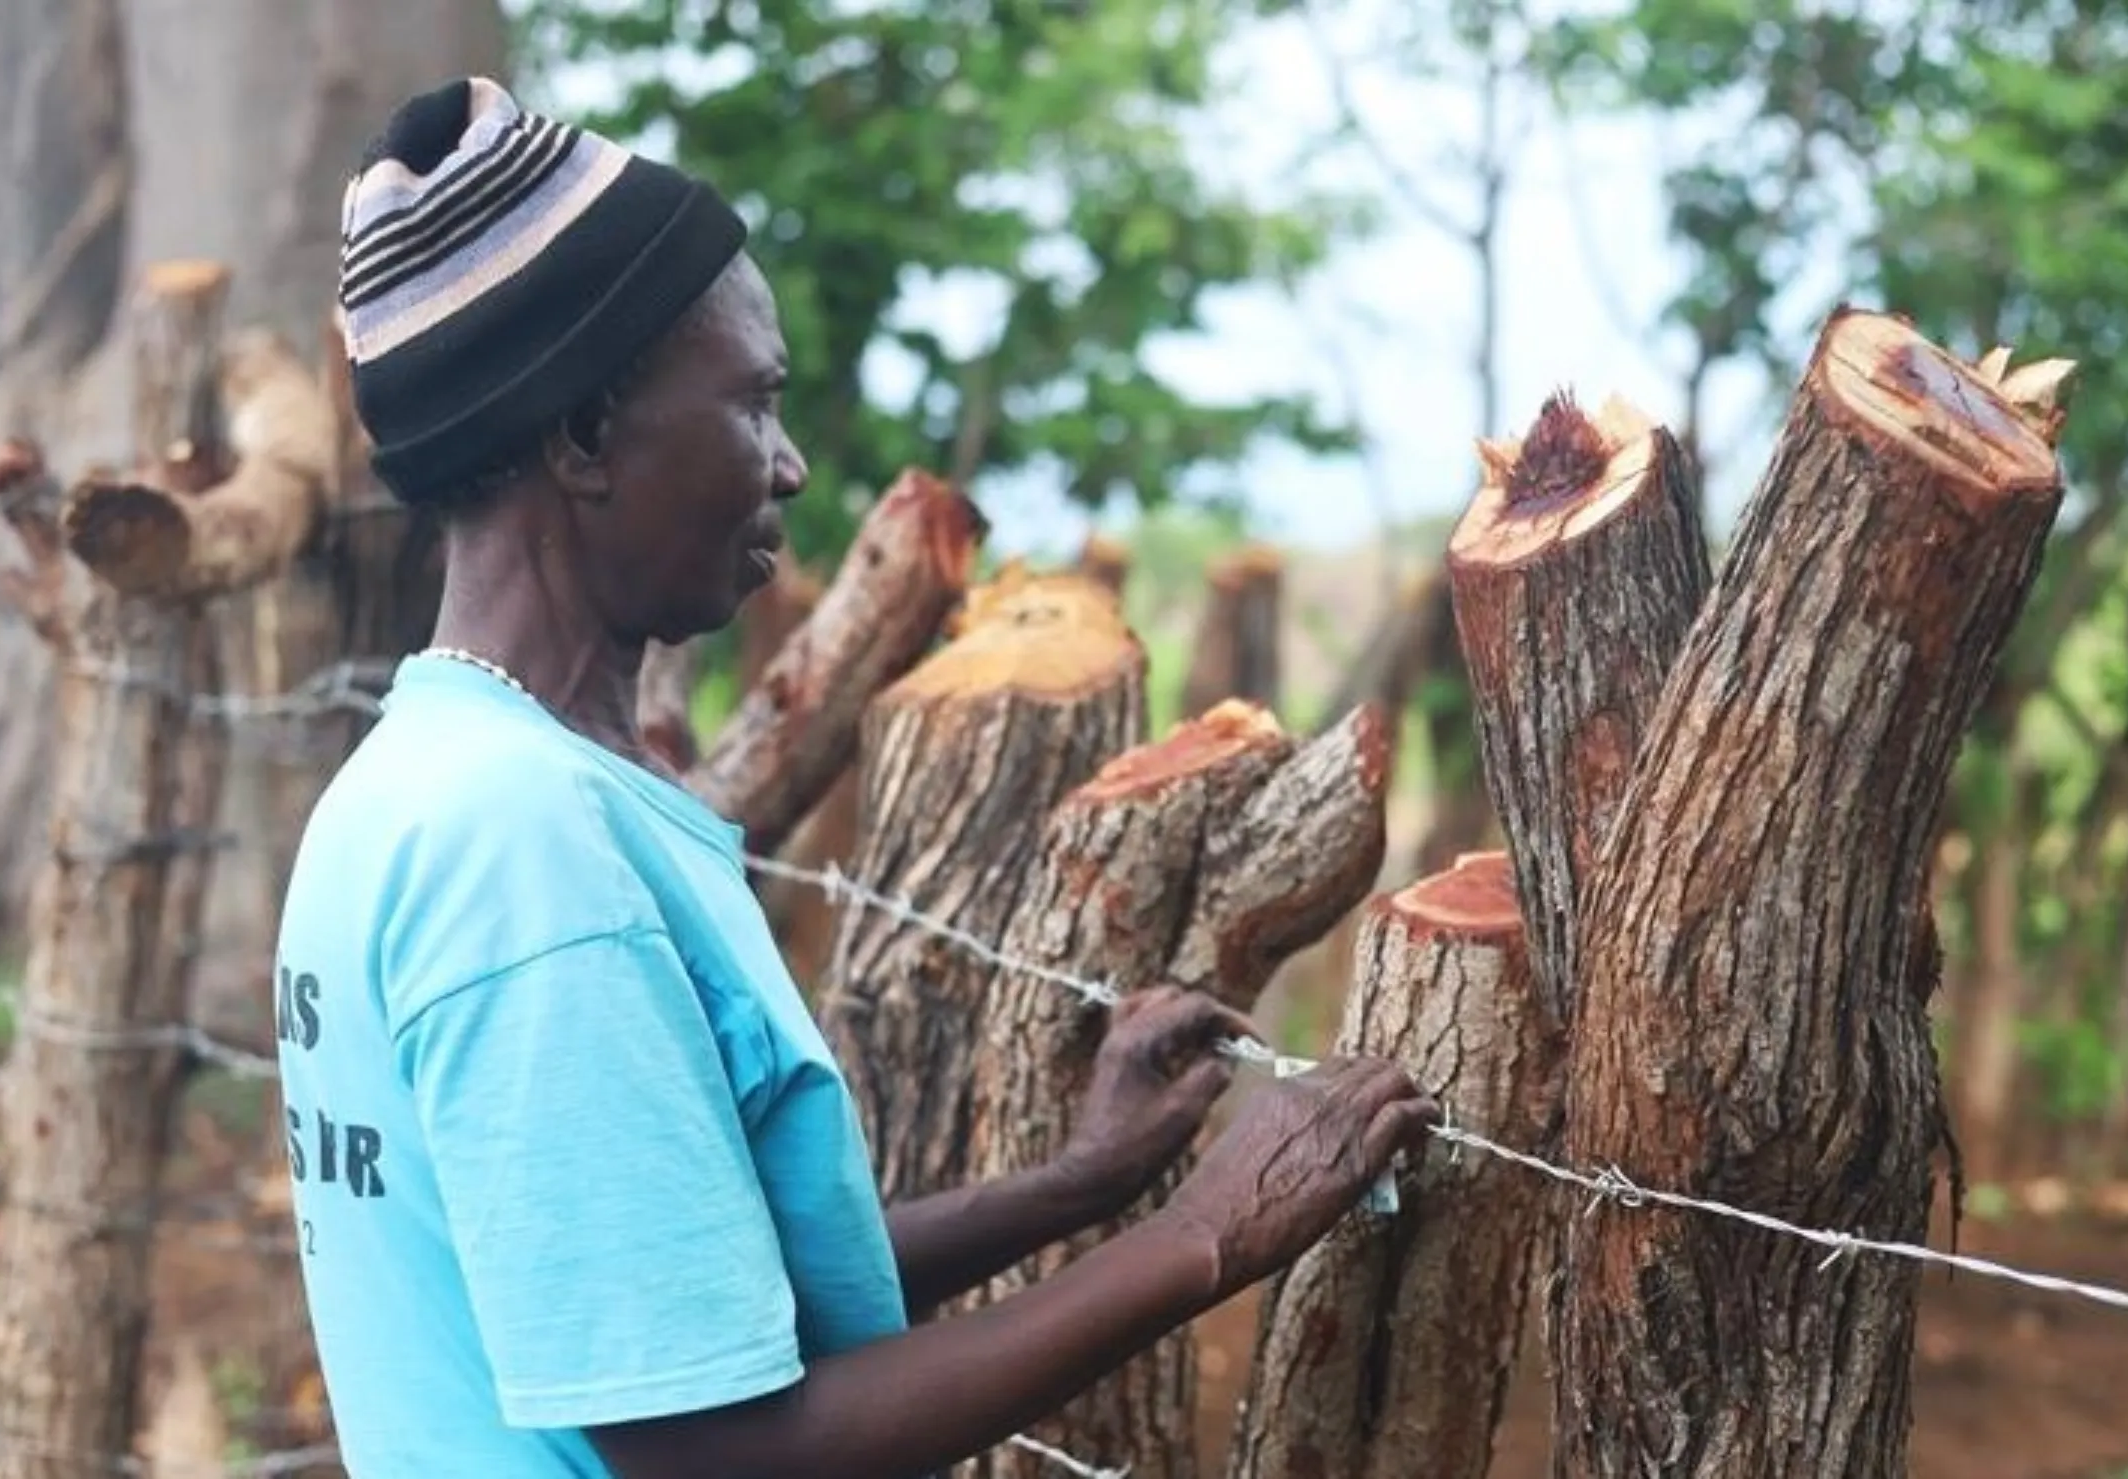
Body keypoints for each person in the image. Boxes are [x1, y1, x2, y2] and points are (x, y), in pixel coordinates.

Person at [275, 76, 1439, 1479]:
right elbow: (712, 1448)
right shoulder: (523, 848)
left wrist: (1078, 1185)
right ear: (583, 435)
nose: (791, 462)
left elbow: (677, 1297)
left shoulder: (410, 787)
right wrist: (1203, 1238)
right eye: (753, 403)